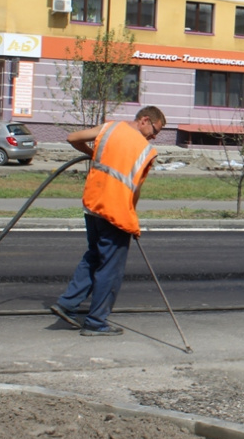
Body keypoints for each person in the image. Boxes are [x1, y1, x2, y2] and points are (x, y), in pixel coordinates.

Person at [50, 106, 166, 336]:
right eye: (155, 130)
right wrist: (132, 218)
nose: (154, 136)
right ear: (145, 120)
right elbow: (135, 190)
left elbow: (72, 138)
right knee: (110, 269)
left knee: (94, 256)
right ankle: (96, 322)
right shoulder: (146, 150)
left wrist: (91, 153)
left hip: (92, 206)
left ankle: (67, 303)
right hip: (116, 213)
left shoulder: (110, 128)